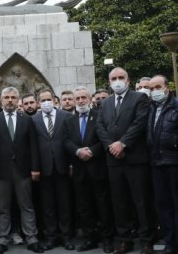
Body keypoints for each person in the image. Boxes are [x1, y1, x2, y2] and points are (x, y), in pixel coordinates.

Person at [95, 67, 156, 254]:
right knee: (119, 202)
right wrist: (111, 146)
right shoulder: (105, 103)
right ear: (109, 81)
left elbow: (139, 123)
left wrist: (123, 143)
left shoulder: (139, 98)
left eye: (121, 77)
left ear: (128, 81)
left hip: (135, 159)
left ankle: (147, 240)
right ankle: (125, 239)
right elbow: (100, 127)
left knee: (141, 201)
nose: (118, 81)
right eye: (114, 78)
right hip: (113, 160)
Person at [0, 86, 44, 254]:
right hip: (1, 171)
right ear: (1, 99)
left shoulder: (26, 120)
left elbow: (34, 146)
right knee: (2, 207)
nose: (10, 100)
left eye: (13, 97)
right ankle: (2, 238)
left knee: (26, 205)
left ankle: (31, 237)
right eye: (6, 97)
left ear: (17, 100)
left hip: (23, 170)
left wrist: (35, 168)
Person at [62, 86, 113, 253]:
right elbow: (66, 141)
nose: (81, 101)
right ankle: (90, 237)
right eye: (78, 98)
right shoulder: (68, 120)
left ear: (90, 98)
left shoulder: (99, 116)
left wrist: (92, 151)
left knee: (102, 204)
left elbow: (105, 138)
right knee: (84, 206)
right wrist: (77, 151)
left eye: (84, 97)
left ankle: (107, 238)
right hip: (79, 169)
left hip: (97, 167)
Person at [145, 76, 178, 254]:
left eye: (158, 86)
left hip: (176, 162)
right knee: (163, 205)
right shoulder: (150, 107)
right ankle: (170, 243)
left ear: (167, 87)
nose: (154, 90)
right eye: (151, 88)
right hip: (156, 163)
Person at [32, 89, 74, 250]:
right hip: (44, 169)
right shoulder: (33, 120)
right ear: (38, 103)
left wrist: (71, 164)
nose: (46, 102)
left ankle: (65, 237)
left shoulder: (66, 117)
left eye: (48, 99)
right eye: (42, 100)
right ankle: (51, 236)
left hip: (63, 167)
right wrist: (35, 168)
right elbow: (33, 147)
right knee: (47, 205)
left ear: (55, 100)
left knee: (64, 203)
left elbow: (70, 141)